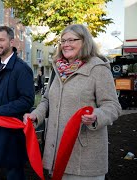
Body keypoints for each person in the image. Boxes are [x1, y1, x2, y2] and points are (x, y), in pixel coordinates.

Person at [23, 24, 122, 179]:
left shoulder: (98, 68)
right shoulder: (58, 68)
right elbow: (47, 100)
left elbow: (113, 106)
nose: (66, 44)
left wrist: (96, 115)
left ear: (84, 42)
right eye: (63, 41)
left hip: (84, 155)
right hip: (56, 150)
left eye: (71, 40)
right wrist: (36, 115)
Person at [0, 26, 35, 180]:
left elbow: (27, 100)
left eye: (1, 40)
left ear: (12, 41)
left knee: (13, 174)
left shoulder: (21, 68)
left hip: (12, 132)